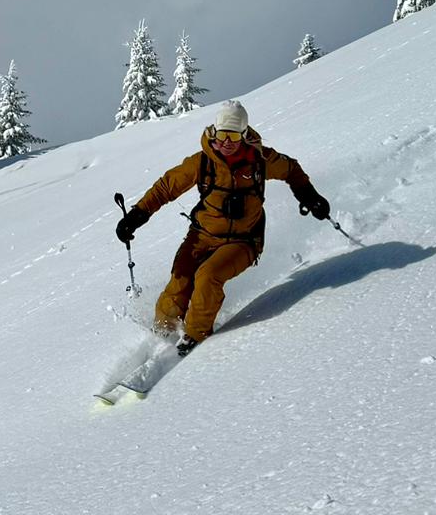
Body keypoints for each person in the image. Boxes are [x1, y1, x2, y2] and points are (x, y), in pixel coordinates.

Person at [115, 99, 331, 356]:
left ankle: (193, 337)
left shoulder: (260, 161)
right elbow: (166, 187)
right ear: (214, 132)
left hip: (244, 241)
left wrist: (310, 197)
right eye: (223, 134)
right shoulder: (202, 162)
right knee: (179, 282)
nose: (227, 142)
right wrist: (136, 216)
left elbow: (291, 170)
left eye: (234, 135)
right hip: (202, 235)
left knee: (207, 276)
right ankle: (161, 334)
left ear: (244, 134)